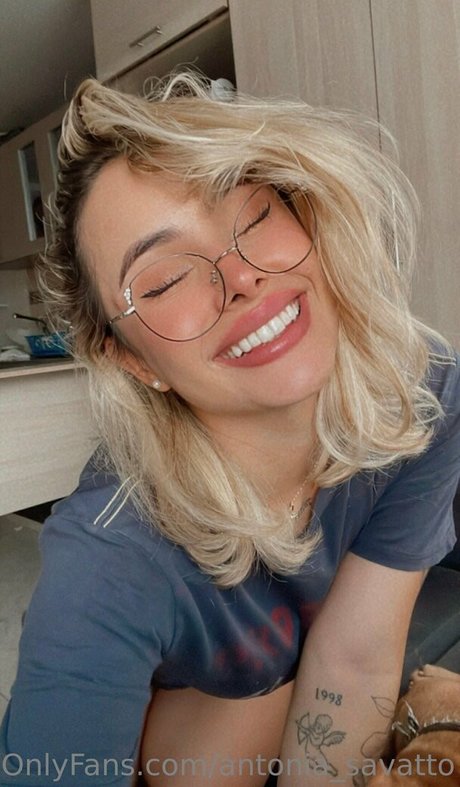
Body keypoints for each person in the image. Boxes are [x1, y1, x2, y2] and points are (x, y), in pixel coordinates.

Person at [0, 72, 458, 787]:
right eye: (163, 280)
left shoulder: (424, 392)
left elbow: (355, 658)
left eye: (254, 212)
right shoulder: (107, 554)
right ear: (132, 359)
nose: (240, 276)